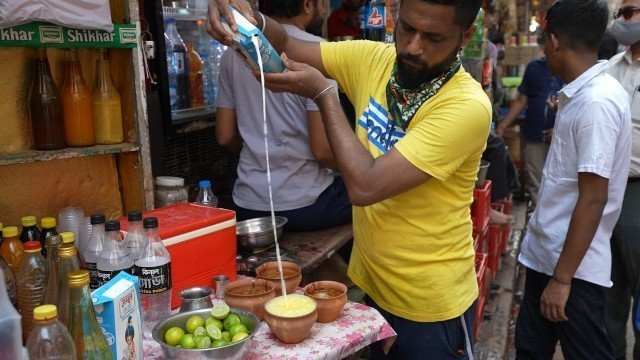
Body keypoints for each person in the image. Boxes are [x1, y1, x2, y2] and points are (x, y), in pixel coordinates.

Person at [207, 0, 491, 358]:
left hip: (429, 304)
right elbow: (288, 45)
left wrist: (324, 94)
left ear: (466, 35)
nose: (413, 47)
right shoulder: (375, 60)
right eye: (406, 29)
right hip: (375, 283)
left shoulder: (465, 106)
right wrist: (251, 20)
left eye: (433, 37)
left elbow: (364, 186)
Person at [514, 1, 632, 359]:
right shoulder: (580, 95)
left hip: (571, 270)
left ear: (553, 41)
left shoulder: (596, 102)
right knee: (530, 350)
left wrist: (562, 280)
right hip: (546, 256)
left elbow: (594, 198)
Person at [214, 0, 352, 232]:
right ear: (308, 4)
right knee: (376, 194)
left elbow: (225, 137)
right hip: (306, 206)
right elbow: (322, 150)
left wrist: (260, 155)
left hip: (248, 205)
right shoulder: (320, 52)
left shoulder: (232, 54)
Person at [605, 1, 640, 358]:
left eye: (631, 11)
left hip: (637, 193)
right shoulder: (611, 69)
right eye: (620, 14)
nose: (623, 21)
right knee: (607, 297)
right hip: (606, 193)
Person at [496, 55, 563, 207]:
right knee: (536, 182)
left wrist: (560, 129)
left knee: (558, 182)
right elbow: (522, 100)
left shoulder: (570, 65)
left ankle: (552, 221)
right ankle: (540, 220)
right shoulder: (534, 67)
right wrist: (502, 126)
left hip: (561, 137)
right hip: (535, 132)